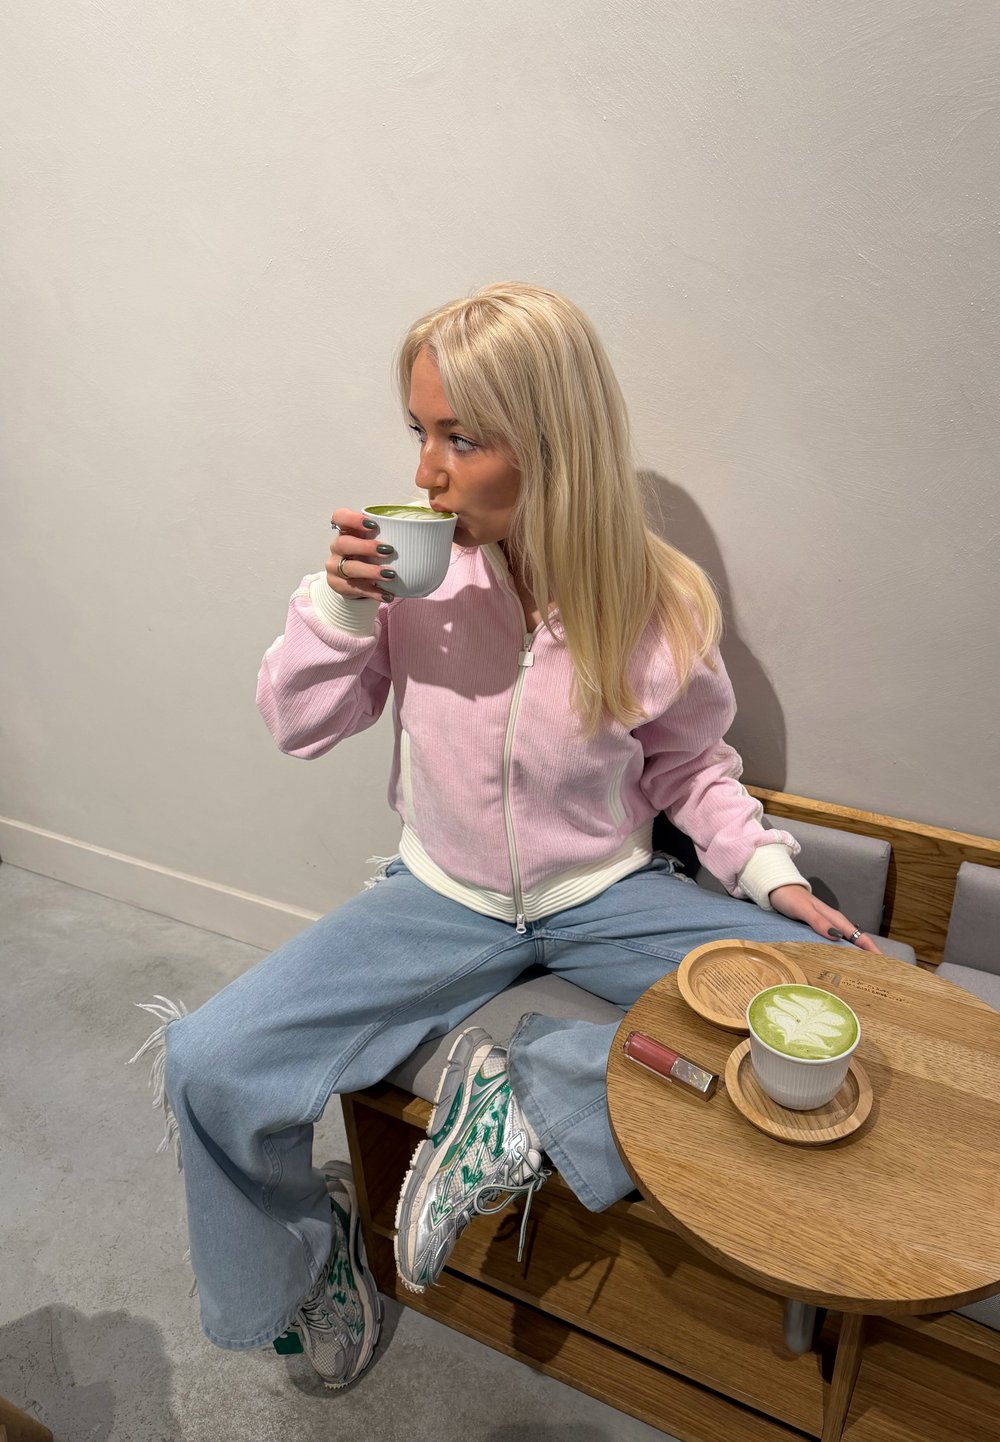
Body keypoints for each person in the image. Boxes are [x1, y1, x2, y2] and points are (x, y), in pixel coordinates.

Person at [130, 282, 878, 1390]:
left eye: (460, 438)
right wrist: (339, 613)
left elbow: (686, 764)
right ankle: (305, 1267)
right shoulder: (399, 581)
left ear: (551, 443)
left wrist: (767, 874)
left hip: (606, 890)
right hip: (440, 895)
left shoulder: (653, 597)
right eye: (420, 432)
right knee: (208, 1060)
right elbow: (297, 726)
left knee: (849, 1002)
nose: (426, 470)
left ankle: (531, 1092)